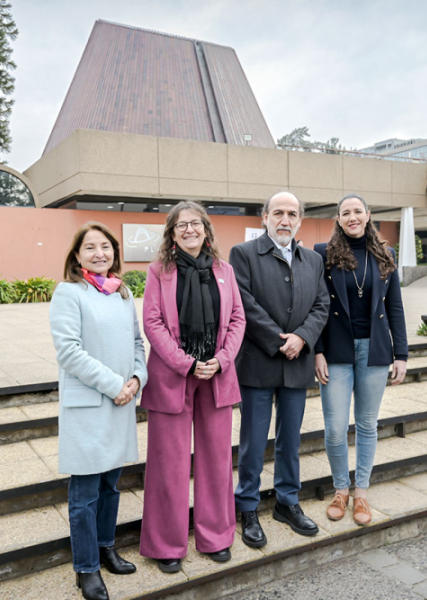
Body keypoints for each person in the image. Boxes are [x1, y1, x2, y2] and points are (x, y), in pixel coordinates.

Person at [139, 201, 246, 572]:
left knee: (216, 461)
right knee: (168, 463)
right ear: (171, 232)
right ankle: (167, 543)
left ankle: (216, 536)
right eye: (181, 225)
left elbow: (237, 318)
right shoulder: (158, 272)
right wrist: (186, 363)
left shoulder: (224, 270)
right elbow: (152, 322)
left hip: (216, 376)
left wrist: (222, 359)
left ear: (206, 229)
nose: (189, 230)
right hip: (174, 376)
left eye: (195, 223)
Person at [49, 222, 147, 600]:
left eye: (105, 246)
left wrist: (137, 379)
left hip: (122, 401)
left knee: (111, 485)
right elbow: (69, 352)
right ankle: (86, 568)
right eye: (90, 248)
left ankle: (106, 547)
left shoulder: (121, 292)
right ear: (77, 255)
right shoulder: (68, 293)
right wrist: (114, 385)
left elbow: (138, 343)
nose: (99, 254)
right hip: (91, 404)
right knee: (85, 492)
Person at [229, 191, 330, 547]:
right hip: (258, 361)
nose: (285, 219)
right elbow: (244, 303)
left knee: (290, 441)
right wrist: (278, 339)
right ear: (265, 218)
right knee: (253, 442)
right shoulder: (243, 255)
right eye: (278, 213)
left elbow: (322, 304)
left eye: (291, 213)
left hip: (297, 363)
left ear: (300, 219)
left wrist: (302, 338)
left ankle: (287, 503)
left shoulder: (313, 260)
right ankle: (248, 507)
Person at [314, 194, 408, 525]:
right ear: (338, 219)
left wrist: (402, 354)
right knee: (336, 427)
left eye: (358, 211)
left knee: (367, 424)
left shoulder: (386, 254)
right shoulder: (322, 254)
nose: (352, 217)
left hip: (375, 351)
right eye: (345, 213)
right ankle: (341, 489)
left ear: (368, 215)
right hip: (337, 351)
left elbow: (394, 306)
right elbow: (317, 306)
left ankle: (362, 493)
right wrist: (318, 350)